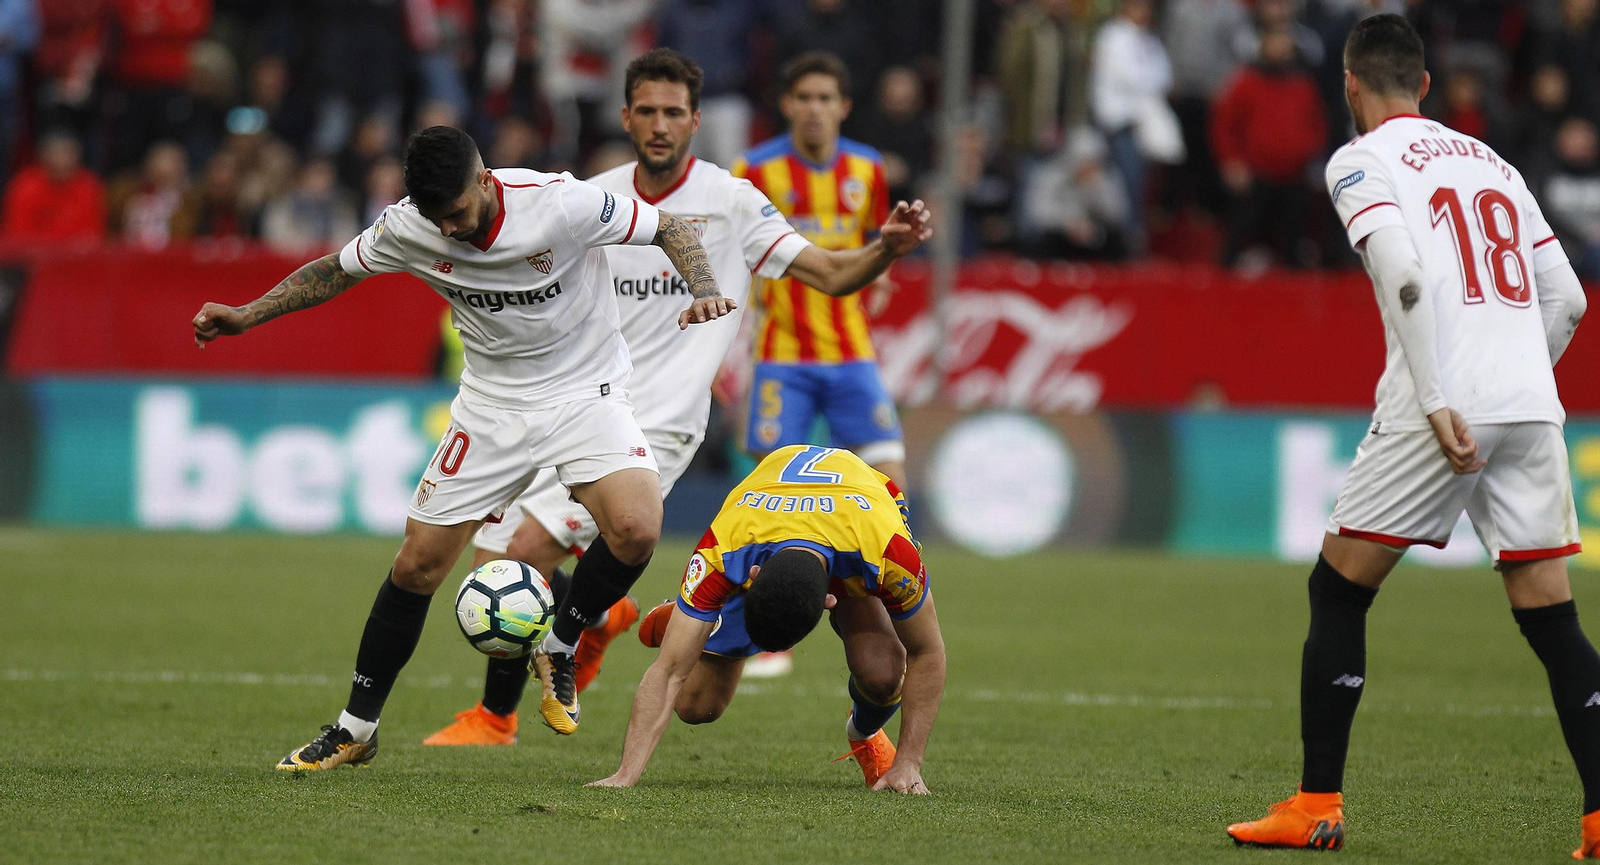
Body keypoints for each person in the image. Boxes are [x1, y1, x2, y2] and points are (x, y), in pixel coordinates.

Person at [424, 48, 932, 747]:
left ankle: (497, 718)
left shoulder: (731, 203)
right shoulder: (590, 197)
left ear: (695, 120)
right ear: (626, 116)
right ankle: (601, 617)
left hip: (657, 423)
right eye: (648, 111)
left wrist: (885, 248)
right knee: (493, 567)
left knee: (528, 548)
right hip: (575, 402)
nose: (660, 125)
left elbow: (830, 271)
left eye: (674, 113)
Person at [190, 124, 734, 768]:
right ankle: (355, 728)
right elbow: (333, 270)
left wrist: (703, 289)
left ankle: (561, 643)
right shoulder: (409, 226)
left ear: (484, 181)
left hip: (586, 392)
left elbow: (670, 228)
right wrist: (249, 314)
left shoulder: (560, 202)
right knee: (417, 565)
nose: (448, 231)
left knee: (638, 528)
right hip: (490, 408)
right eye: (435, 219)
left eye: (456, 214)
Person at [1225, 15, 1593, 855]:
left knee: (1339, 589)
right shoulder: (1492, 160)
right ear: (1427, 85)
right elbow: (1566, 296)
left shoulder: (1361, 159)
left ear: (1350, 86)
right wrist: (1520, 377)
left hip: (1443, 402)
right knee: (1551, 615)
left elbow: (1400, 271)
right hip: (1531, 403)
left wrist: (1436, 399)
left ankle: (1317, 803)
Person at [587, 444, 946, 794]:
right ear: (752, 576)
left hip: (855, 529)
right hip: (773, 520)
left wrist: (909, 762)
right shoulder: (724, 547)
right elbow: (667, 672)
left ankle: (863, 734)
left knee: (883, 673)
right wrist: (624, 774)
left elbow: (927, 651)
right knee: (696, 707)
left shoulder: (888, 553)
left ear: (830, 600)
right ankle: (699, 616)